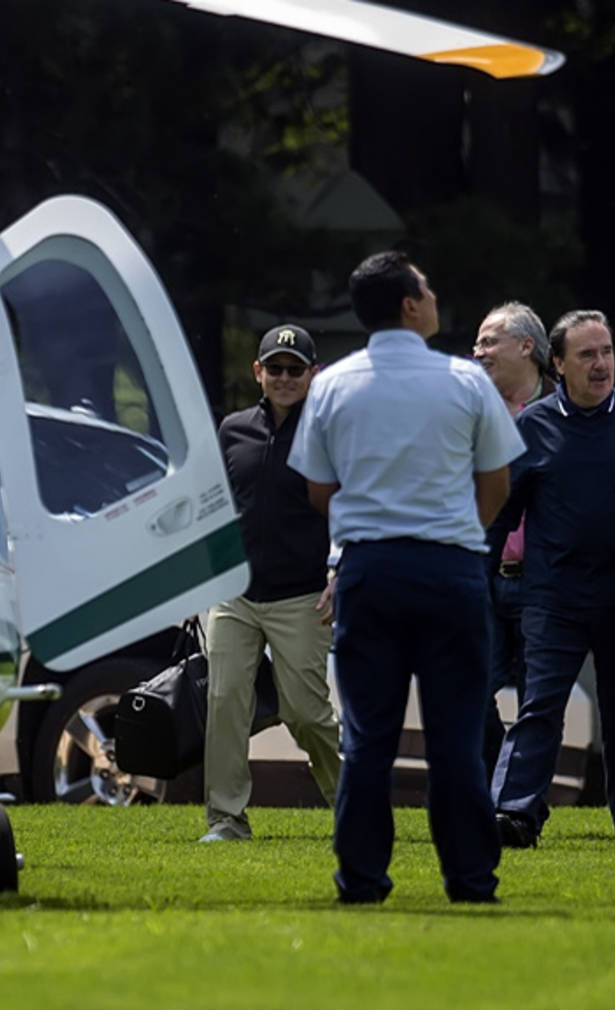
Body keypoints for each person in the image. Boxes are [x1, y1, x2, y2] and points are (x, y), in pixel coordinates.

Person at [288, 250, 524, 904]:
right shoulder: (464, 381)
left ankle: (361, 878)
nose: (435, 293)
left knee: (369, 738)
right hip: (449, 567)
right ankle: (471, 879)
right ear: (410, 306)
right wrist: (461, 536)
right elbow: (497, 481)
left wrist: (367, 521)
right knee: (456, 736)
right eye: (427, 285)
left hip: (369, 568)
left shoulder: (333, 383)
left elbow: (317, 488)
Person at [490, 309, 615, 850]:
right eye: (586, 355)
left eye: (607, 352)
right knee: (540, 706)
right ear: (558, 363)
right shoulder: (534, 426)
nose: (601, 365)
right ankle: (513, 814)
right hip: (553, 595)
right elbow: (501, 514)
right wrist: (473, 575)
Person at [199, 324, 341, 843]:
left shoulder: (329, 433)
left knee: (306, 714)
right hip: (234, 593)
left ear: (313, 374)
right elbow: (216, 505)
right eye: (274, 368)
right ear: (257, 372)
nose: (284, 378)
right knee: (225, 703)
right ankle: (226, 819)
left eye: (294, 369)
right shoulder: (232, 429)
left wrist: (342, 572)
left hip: (303, 595)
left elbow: (353, 508)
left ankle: (350, 804)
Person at [472, 300, 557, 776]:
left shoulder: (562, 411)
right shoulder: (467, 408)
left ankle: (519, 804)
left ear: (526, 346)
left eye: (489, 341)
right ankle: (494, 789)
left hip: (541, 582)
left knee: (537, 699)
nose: (478, 352)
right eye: (477, 343)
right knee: (471, 690)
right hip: (479, 577)